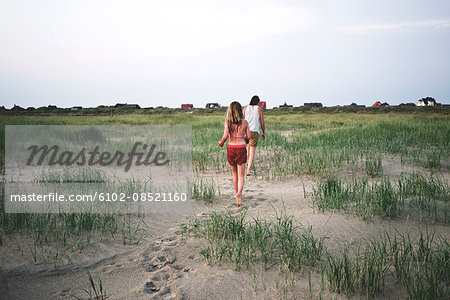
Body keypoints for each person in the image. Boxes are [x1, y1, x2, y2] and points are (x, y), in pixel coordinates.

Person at [218, 101, 251, 207]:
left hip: (231, 148)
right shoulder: (245, 122)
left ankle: (237, 194)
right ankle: (239, 194)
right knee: (242, 175)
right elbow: (249, 137)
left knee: (234, 174)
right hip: (241, 147)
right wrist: (243, 137)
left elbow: (225, 136)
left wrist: (221, 143)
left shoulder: (228, 122)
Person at [243, 95, 265, 176]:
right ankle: (248, 170)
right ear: (258, 102)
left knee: (247, 148)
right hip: (254, 131)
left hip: (245, 131)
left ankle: (246, 164)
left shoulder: (245, 108)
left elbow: (242, 120)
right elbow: (262, 122)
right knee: (252, 151)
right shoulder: (259, 109)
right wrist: (263, 132)